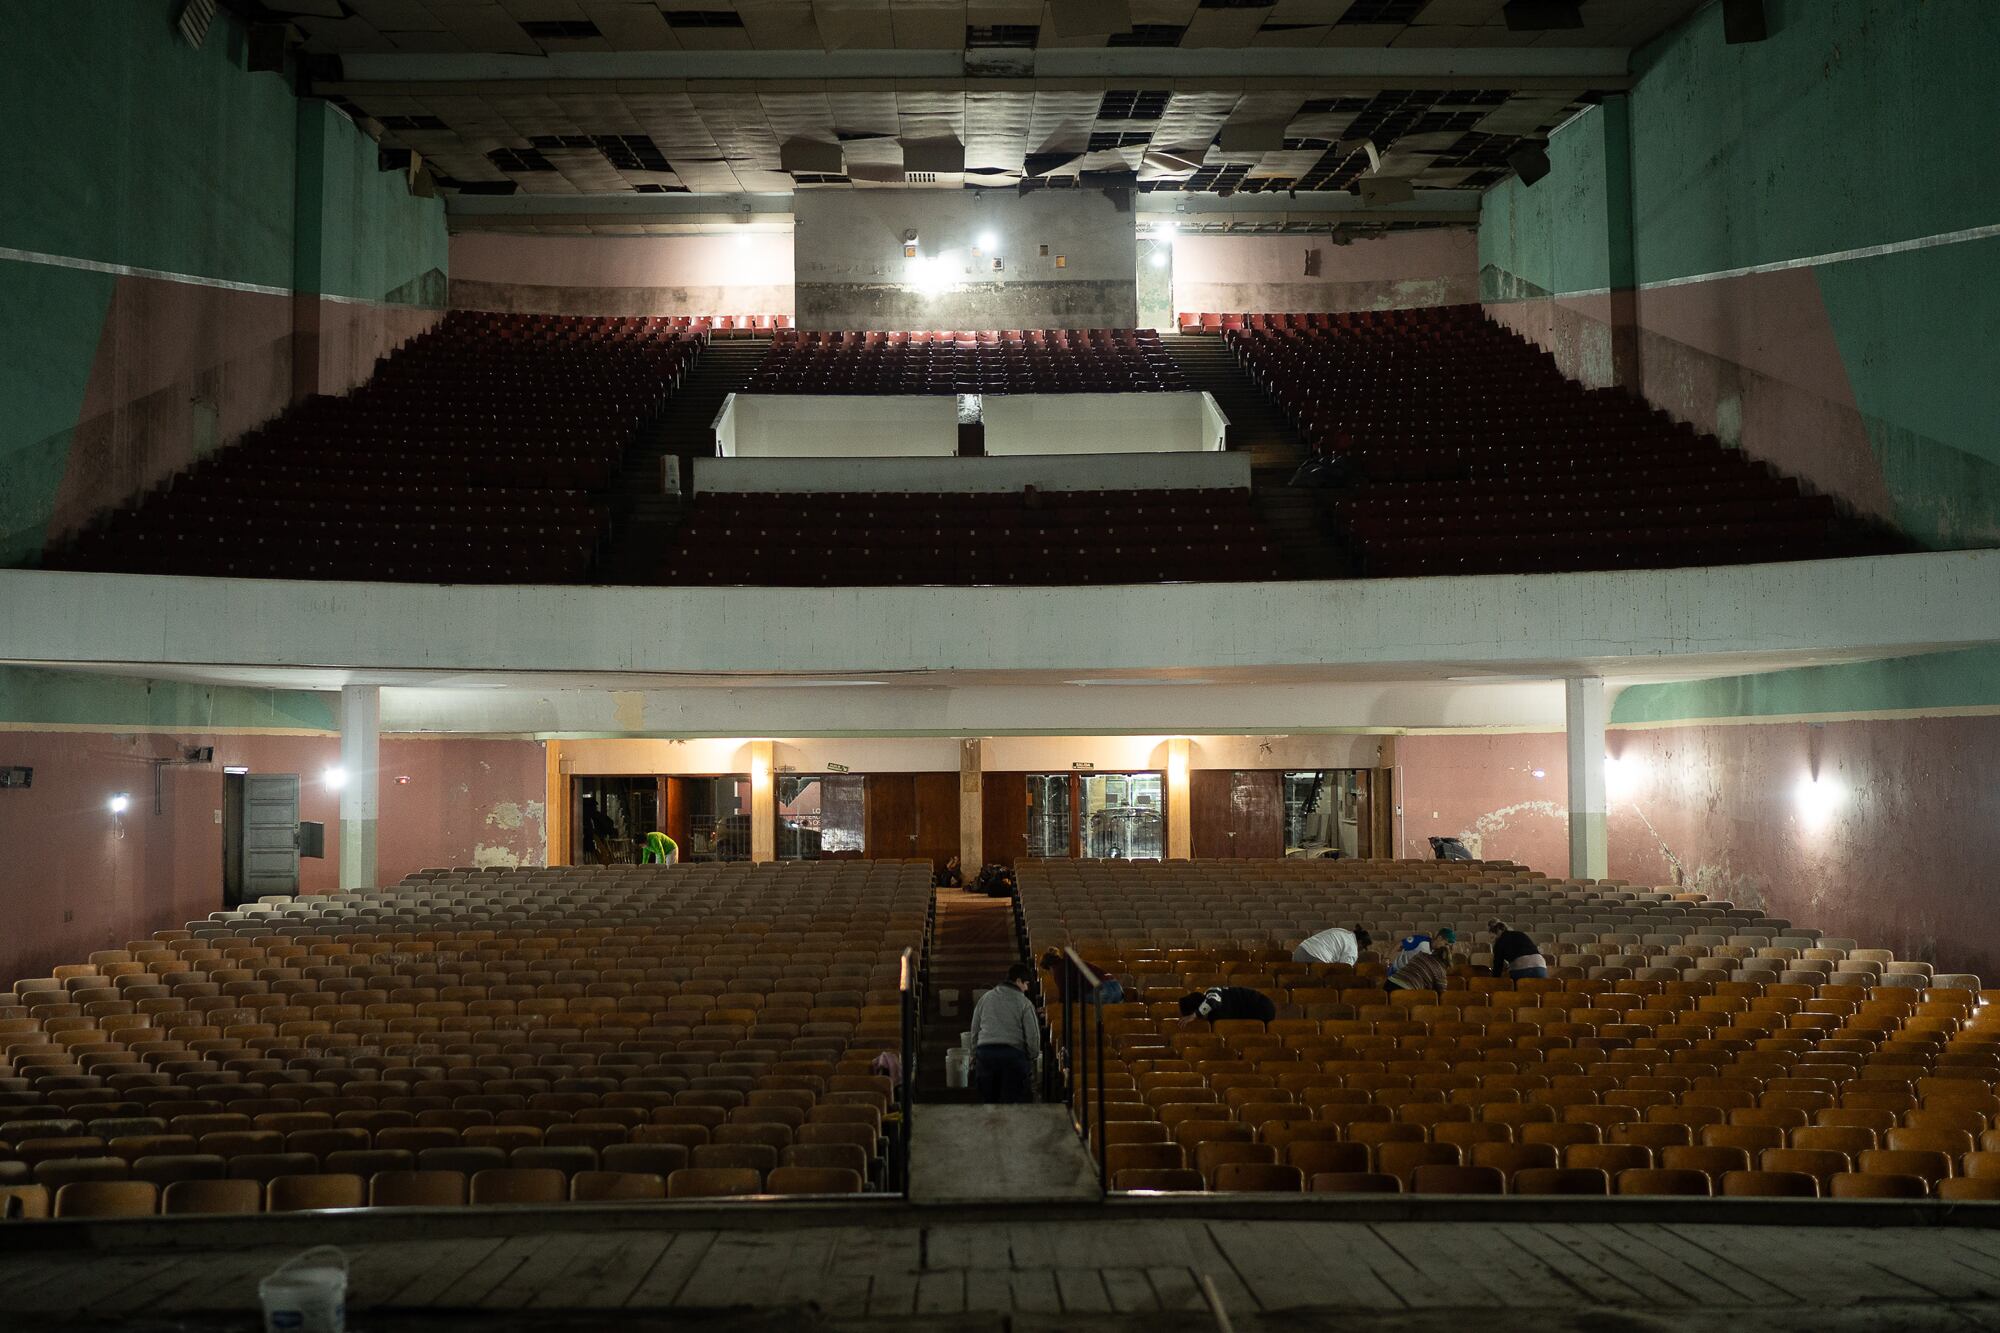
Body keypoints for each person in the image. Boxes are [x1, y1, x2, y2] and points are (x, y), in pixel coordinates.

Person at [969, 963, 1040, 1104]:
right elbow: (1032, 1036)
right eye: (1026, 984)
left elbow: (975, 1030)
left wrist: (974, 1054)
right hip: (1012, 1056)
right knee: (1012, 1104)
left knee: (988, 1104)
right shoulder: (1025, 1003)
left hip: (986, 1054)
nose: (1026, 988)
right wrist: (1032, 1056)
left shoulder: (985, 998)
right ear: (1018, 980)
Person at [1040, 948, 1123, 1005]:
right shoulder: (1071, 961)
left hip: (1103, 991)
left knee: (1076, 1002)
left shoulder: (1058, 970)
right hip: (1117, 987)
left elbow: (1065, 996)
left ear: (1049, 967)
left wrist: (1052, 1008)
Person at [1178, 986, 1276, 1026]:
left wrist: (1194, 1015)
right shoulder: (1214, 1017)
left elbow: (1212, 1002)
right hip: (1252, 1012)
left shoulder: (1211, 992)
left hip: (1262, 1006)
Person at [1292, 924, 1371, 966]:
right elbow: (1345, 969)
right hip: (1316, 957)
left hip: (1299, 951)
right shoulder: (1352, 946)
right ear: (1360, 943)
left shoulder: (1342, 931)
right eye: (1363, 947)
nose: (1361, 950)